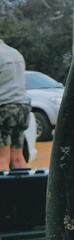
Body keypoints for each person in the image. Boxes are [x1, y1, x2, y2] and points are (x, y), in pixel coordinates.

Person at [0, 39, 30, 171]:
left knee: (2, 157)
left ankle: (4, 191)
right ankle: (24, 190)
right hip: (22, 108)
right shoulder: (15, 53)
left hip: (4, 108)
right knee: (18, 156)